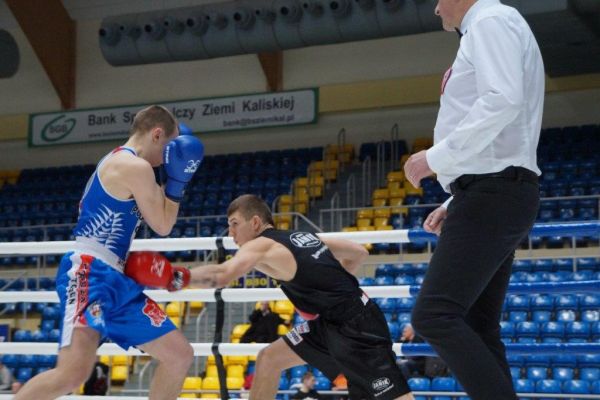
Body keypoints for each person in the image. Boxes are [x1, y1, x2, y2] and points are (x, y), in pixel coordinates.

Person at [126, 194, 414, 399]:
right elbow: (358, 253)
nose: (230, 232)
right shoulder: (301, 236)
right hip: (332, 322)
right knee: (269, 359)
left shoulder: (260, 245)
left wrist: (176, 277)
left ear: (255, 222)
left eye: (234, 223)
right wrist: (328, 293)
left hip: (355, 327)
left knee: (394, 395)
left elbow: (222, 275)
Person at [403, 1, 544, 399]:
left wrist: (435, 159)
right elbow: (505, 133)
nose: (435, 9)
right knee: (478, 326)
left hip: (493, 193)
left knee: (433, 315)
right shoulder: (492, 24)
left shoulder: (490, 20)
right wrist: (454, 199)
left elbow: (502, 100)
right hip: (492, 191)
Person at [14, 106, 204, 400]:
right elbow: (164, 225)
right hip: (90, 273)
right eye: (168, 147)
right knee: (72, 374)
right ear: (156, 135)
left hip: (116, 277)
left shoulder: (126, 163)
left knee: (179, 355)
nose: (168, 157)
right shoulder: (134, 166)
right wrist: (178, 181)